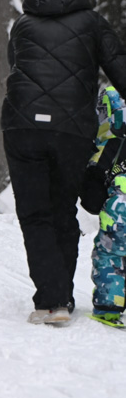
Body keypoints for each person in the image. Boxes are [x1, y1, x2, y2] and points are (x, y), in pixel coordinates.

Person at [1, 0, 126, 325]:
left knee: (34, 214)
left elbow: (16, 65)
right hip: (71, 130)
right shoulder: (93, 22)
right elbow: (118, 66)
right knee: (62, 210)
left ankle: (49, 300)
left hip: (22, 127)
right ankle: (62, 299)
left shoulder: (21, 24)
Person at [83, 86, 126, 328]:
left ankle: (109, 307)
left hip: (120, 215)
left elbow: (91, 194)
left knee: (110, 256)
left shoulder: (108, 146)